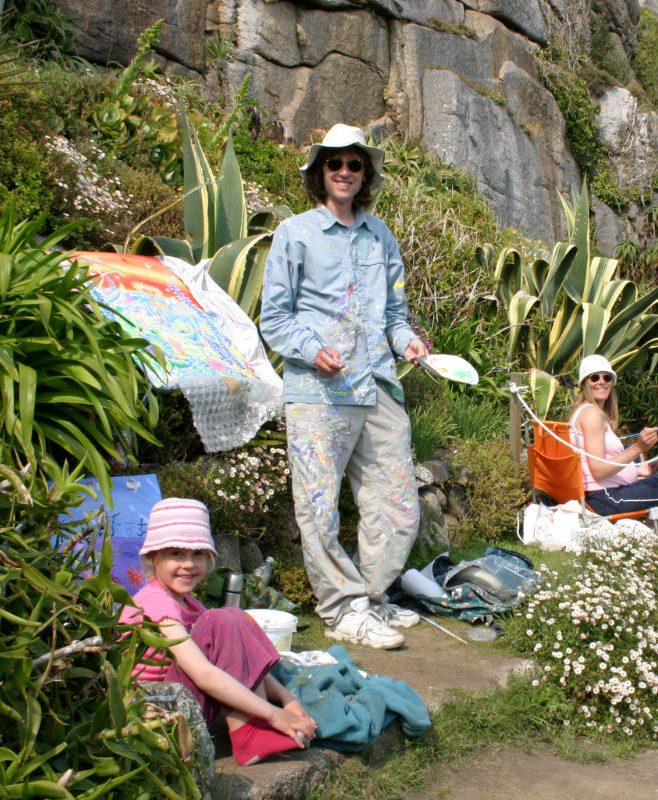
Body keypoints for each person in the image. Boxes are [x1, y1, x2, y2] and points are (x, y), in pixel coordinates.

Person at [260, 123, 428, 650]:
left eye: (354, 164)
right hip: (318, 391)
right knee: (318, 505)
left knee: (398, 500)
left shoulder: (381, 235)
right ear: (319, 172)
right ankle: (342, 608)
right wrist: (314, 351)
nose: (344, 172)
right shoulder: (295, 233)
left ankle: (373, 598)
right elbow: (275, 317)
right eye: (333, 163)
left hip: (376, 382)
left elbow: (395, 315)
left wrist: (408, 343)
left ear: (365, 174)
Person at [120, 498, 317, 766]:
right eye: (176, 554)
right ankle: (250, 732)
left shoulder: (189, 603)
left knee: (229, 619)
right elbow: (203, 673)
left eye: (197, 554)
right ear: (154, 558)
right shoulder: (156, 603)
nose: (188, 564)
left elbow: (244, 654)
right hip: (156, 715)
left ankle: (254, 728)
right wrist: (274, 714)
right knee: (222, 620)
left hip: (181, 702)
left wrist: (286, 699)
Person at [568, 354, 658, 518]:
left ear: (612, 382)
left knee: (634, 454)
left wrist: (637, 471)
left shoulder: (584, 411)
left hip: (602, 494)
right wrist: (639, 447)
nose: (601, 382)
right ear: (584, 384)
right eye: (594, 377)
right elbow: (598, 471)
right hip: (605, 499)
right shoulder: (591, 414)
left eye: (607, 377)